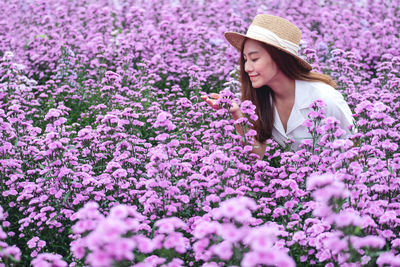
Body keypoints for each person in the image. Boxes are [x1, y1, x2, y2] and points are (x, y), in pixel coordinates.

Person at [201, 14, 353, 159]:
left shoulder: (325, 99)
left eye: (254, 59)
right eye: (245, 59)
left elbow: (355, 152)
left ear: (279, 58)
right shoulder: (262, 98)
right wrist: (237, 114)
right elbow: (255, 155)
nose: (247, 67)